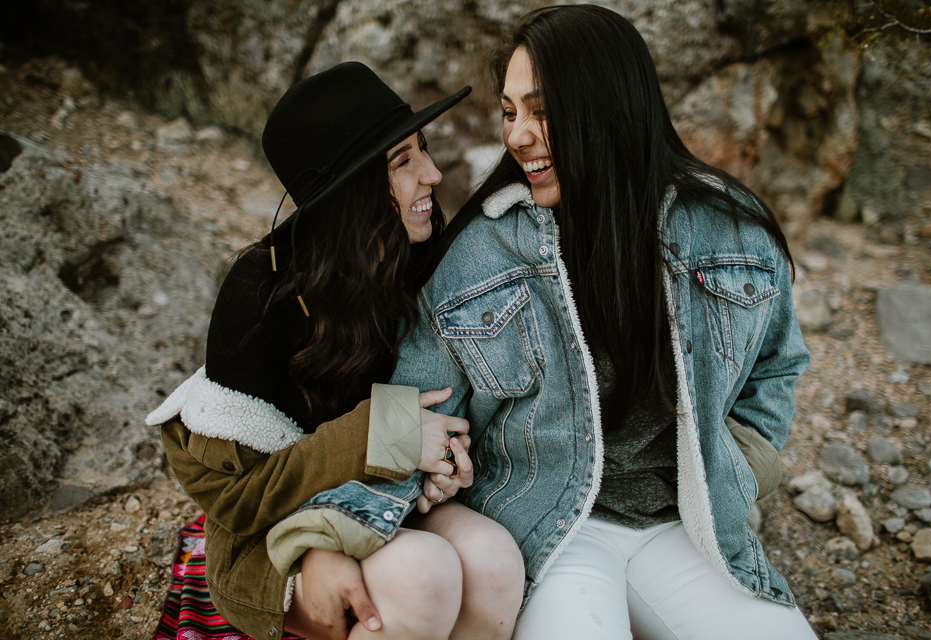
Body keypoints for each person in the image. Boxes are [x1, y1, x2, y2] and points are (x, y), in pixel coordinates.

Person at [270, 5, 818, 639]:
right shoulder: (480, 253)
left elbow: (778, 366)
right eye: (509, 113)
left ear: (611, 105)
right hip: (550, 530)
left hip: (687, 528)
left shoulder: (730, 228)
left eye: (542, 110)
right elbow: (403, 403)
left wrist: (741, 469)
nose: (518, 136)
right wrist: (342, 530)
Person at [146, 62, 525, 640]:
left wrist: (443, 465)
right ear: (351, 191)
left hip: (385, 502)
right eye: (402, 162)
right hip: (270, 534)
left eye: (422, 149)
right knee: (422, 576)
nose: (432, 172)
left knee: (494, 561)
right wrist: (387, 435)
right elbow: (237, 497)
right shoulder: (261, 295)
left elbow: (436, 416)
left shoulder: (416, 256)